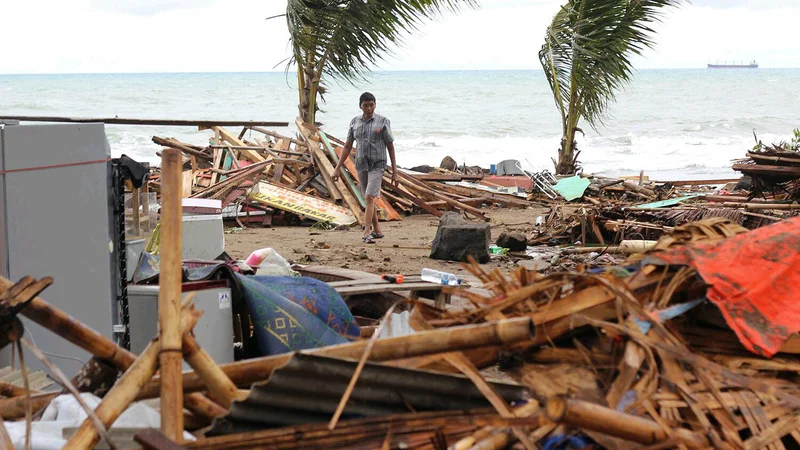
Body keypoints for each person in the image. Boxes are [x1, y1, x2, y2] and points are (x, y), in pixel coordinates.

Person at [332, 92, 397, 244]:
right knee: (369, 199)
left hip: (378, 164)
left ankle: (367, 231)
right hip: (361, 165)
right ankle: (378, 230)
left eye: (371, 105)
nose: (369, 108)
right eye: (365, 105)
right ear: (360, 106)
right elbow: (347, 146)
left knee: (369, 197)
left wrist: (395, 172)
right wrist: (337, 168)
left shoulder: (383, 122)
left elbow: (390, 146)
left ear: (375, 104)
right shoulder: (355, 122)